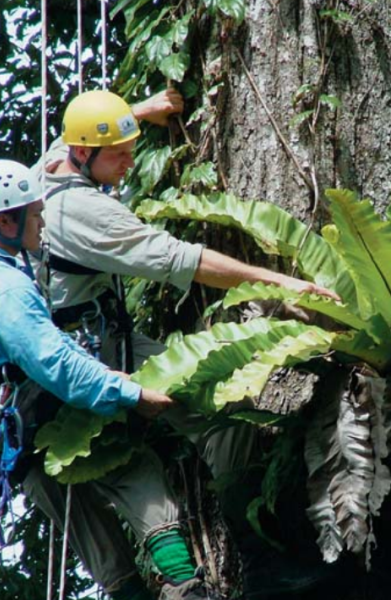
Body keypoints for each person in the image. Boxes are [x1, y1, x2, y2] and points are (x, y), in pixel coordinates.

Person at [35, 89, 340, 597]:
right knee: (225, 411)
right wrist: (282, 284)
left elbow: (84, 133)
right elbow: (186, 261)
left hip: (95, 341)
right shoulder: (85, 215)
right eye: (120, 154)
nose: (131, 162)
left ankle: (257, 548)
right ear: (84, 154)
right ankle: (259, 556)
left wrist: (139, 113)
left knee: (221, 404)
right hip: (92, 359)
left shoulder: (49, 167)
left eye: (132, 149)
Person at [0, 159, 218, 600]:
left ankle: (139, 591)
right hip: (39, 421)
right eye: (35, 214)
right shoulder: (3, 289)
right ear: (5, 220)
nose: (42, 221)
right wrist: (128, 391)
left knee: (91, 532)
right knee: (134, 469)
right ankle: (183, 585)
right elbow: (52, 361)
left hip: (14, 439)